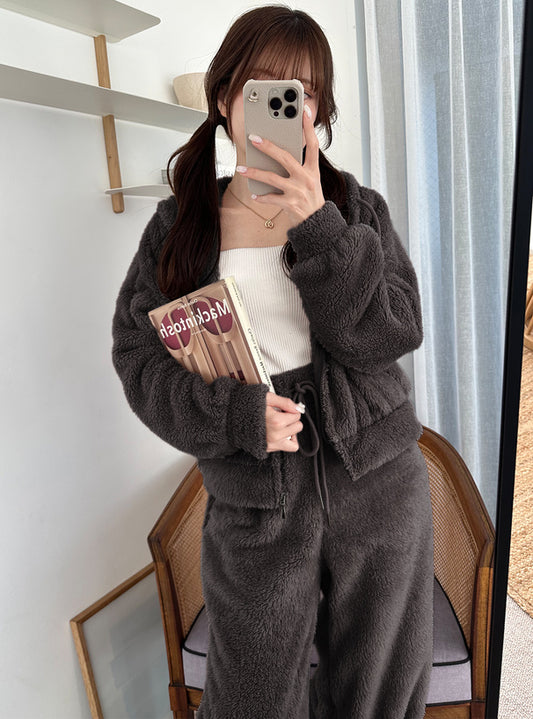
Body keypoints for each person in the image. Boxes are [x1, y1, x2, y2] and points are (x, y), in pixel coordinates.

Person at [112, 5, 434, 719]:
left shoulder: (355, 209)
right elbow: (139, 358)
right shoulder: (178, 227)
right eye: (264, 88)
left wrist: (319, 228)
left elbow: (390, 333)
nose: (287, 106)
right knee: (249, 697)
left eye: (304, 92)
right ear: (227, 98)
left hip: (377, 484)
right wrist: (235, 416)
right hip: (254, 493)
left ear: (319, 111)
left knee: (380, 695)